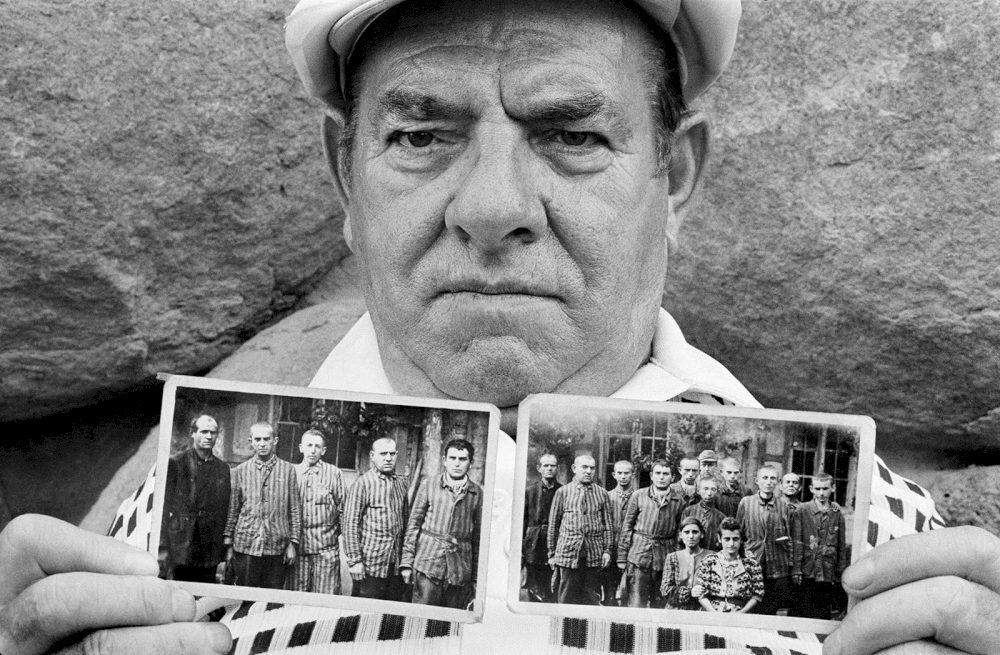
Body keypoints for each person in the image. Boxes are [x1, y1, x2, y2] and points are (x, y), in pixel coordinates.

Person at [5, 0, 1000, 653]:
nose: (489, 204)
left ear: (677, 177)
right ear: (345, 177)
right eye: (422, 135)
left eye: (570, 135)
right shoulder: (146, 551)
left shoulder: (889, 555)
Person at [401, 439, 482, 608]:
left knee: (451, 624)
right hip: (428, 565)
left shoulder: (477, 493)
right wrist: (407, 563)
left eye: (462, 459)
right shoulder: (429, 485)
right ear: (445, 460)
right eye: (452, 458)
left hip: (459, 572)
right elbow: (413, 525)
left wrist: (475, 578)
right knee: (422, 618)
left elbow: (478, 539)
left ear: (471, 463)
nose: (457, 464)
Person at [223, 422, 302, 589]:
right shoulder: (240, 471)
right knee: (245, 597)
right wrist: (229, 544)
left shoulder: (287, 470)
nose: (262, 443)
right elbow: (233, 510)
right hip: (246, 545)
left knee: (271, 599)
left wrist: (292, 544)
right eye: (257, 439)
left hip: (276, 546)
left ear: (275, 440)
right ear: (250, 441)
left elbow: (294, 509)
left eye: (267, 439)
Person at [160, 414, 231, 583]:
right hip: (181, 544)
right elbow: (163, 507)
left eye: (213, 433)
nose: (209, 437)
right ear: (192, 433)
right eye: (204, 431)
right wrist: (163, 549)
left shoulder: (222, 468)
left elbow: (225, 509)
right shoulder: (176, 463)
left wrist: (223, 548)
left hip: (210, 547)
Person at [342, 437, 410, 601]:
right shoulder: (363, 483)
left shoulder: (401, 483)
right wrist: (355, 561)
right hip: (370, 565)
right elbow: (349, 525)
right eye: (383, 454)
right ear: (372, 456)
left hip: (395, 565)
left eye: (392, 454)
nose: (388, 458)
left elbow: (407, 523)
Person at [617, 459, 686, 608]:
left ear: (672, 477)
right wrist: (622, 557)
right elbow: (627, 526)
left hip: (664, 559)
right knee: (636, 603)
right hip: (639, 557)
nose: (661, 477)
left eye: (666, 474)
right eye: (658, 473)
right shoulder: (639, 495)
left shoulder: (678, 501)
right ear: (651, 476)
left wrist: (676, 560)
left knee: (660, 604)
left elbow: (679, 534)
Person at [547, 454, 613, 605]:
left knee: (591, 599)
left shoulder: (602, 493)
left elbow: (608, 525)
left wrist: (608, 551)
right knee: (566, 597)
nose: (588, 471)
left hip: (593, 554)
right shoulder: (563, 492)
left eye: (592, 468)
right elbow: (553, 525)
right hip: (567, 553)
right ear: (574, 469)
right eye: (584, 467)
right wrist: (551, 553)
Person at [290, 429, 347, 594]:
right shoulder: (291, 473)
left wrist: (333, 537)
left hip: (326, 552)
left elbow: (344, 510)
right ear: (301, 448)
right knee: (296, 601)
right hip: (298, 552)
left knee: (325, 599)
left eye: (317, 446)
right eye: (309, 445)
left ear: (324, 450)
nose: (313, 450)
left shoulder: (334, 473)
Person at [736, 465, 794, 615]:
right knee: (750, 606)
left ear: (778, 482)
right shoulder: (746, 503)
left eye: (773, 478)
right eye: (765, 478)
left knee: (771, 608)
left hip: (777, 565)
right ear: (757, 481)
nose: (768, 482)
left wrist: (791, 563)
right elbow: (738, 535)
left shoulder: (784, 506)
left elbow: (789, 537)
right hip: (752, 561)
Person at [790, 472, 847, 619]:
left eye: (825, 488)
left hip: (827, 570)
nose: (821, 493)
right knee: (801, 609)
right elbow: (796, 542)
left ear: (833, 488)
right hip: (806, 569)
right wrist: (796, 569)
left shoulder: (836, 513)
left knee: (822, 611)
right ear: (811, 489)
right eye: (818, 488)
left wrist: (840, 570)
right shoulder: (802, 510)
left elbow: (841, 544)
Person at [696, 517, 764, 614]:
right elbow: (701, 594)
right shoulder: (709, 561)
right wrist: (713, 613)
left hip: (740, 612)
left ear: (741, 540)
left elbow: (758, 594)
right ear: (719, 539)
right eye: (727, 539)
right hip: (712, 612)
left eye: (735, 539)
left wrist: (742, 612)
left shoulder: (751, 564)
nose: (731, 543)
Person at [521, 453, 561, 603]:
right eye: (546, 465)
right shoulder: (529, 491)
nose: (549, 468)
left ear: (557, 468)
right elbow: (522, 521)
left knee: (553, 588)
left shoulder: (562, 491)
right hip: (534, 545)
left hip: (555, 544)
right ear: (539, 468)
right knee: (533, 588)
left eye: (553, 465)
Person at [660, 516, 711, 611]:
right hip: (676, 609)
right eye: (686, 532)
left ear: (702, 534)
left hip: (702, 609)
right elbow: (665, 590)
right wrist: (690, 592)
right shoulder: (672, 557)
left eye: (695, 532)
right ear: (680, 535)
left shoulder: (711, 556)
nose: (691, 536)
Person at [603, 459, 635, 606]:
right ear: (614, 475)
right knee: (609, 592)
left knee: (630, 593)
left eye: (626, 473)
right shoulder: (606, 497)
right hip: (610, 550)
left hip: (632, 551)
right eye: (619, 473)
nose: (623, 476)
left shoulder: (639, 497)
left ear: (632, 474)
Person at [681, 477, 726, 551]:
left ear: (717, 492)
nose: (709, 493)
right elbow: (680, 537)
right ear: (698, 491)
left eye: (713, 489)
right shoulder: (688, 511)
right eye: (705, 489)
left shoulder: (720, 516)